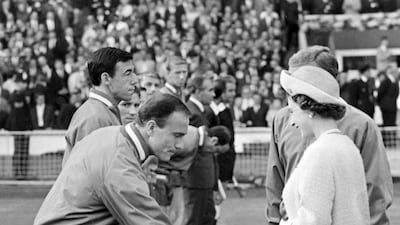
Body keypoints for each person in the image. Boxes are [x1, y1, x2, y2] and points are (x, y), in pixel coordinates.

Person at [265, 46, 393, 225]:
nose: (292, 96)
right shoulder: (281, 119)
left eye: (301, 84)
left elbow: (375, 194)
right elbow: (275, 179)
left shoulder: (362, 126)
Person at [34, 93, 191, 225]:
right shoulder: (120, 161)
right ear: (151, 127)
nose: (180, 145)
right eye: (177, 135)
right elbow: (148, 221)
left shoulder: (109, 135)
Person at [279, 65, 370, 224]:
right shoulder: (347, 146)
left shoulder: (320, 152)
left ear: (309, 108)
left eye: (293, 112)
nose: (292, 122)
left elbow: (313, 220)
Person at [62, 47, 138, 166]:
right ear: (106, 78)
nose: (135, 80)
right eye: (128, 73)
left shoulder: (103, 111)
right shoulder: (95, 117)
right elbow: (88, 176)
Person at [184, 74, 216, 225]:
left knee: (207, 217)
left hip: (202, 177)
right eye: (210, 90)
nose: (213, 94)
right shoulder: (192, 112)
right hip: (197, 177)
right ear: (197, 91)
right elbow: (189, 145)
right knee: (196, 219)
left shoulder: (199, 110)